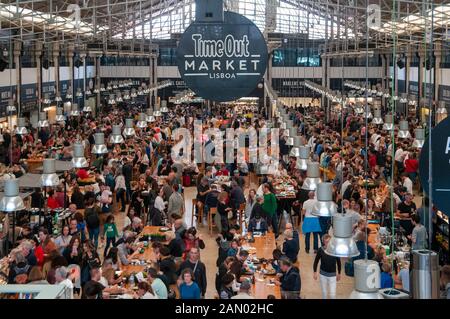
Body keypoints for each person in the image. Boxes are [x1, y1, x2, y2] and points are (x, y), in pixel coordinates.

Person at [313, 234, 342, 299]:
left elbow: (338, 262)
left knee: (332, 294)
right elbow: (316, 261)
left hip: (332, 275)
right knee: (324, 293)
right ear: (323, 242)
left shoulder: (335, 250)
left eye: (329, 241)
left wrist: (339, 273)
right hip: (323, 275)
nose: (328, 243)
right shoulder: (320, 250)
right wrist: (315, 272)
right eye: (326, 242)